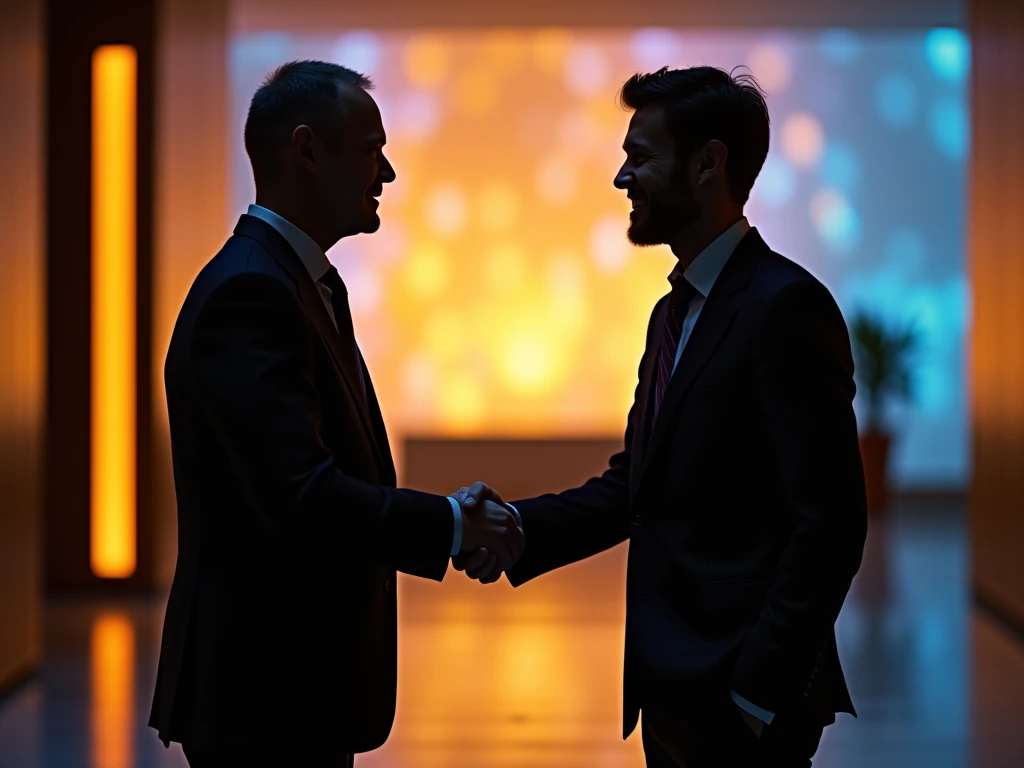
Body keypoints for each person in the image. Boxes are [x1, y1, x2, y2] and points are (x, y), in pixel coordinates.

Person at [456, 66, 868, 767]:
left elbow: (831, 523)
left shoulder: (785, 309)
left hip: (741, 700)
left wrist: (756, 694)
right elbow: (636, 487)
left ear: (709, 164)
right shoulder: (670, 313)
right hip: (674, 687)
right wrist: (521, 530)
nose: (622, 178)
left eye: (640, 157)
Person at [149, 60, 524, 767]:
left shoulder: (289, 280)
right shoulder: (252, 294)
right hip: (265, 694)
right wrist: (449, 524)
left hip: (286, 688)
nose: (386, 175)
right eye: (370, 149)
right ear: (307, 150)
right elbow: (302, 496)